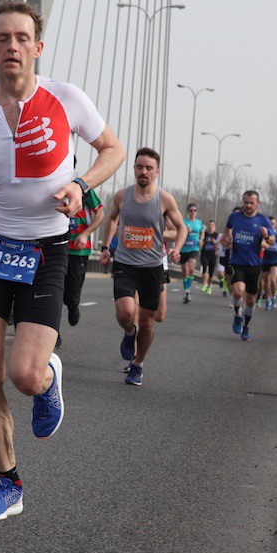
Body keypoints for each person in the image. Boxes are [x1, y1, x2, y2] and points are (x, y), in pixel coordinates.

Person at [0, 0, 125, 521]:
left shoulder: (66, 98)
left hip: (46, 249)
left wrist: (81, 185)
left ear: (37, 48)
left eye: (21, 38)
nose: (11, 46)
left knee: (23, 375)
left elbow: (113, 150)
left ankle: (46, 378)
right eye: (2, 38)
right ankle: (8, 483)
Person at [99, 148, 185, 386]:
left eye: (149, 168)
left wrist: (177, 248)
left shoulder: (165, 199)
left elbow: (182, 228)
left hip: (152, 267)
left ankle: (138, 364)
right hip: (125, 263)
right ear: (134, 169)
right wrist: (106, 247)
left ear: (157, 171)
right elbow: (111, 218)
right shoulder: (121, 196)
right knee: (125, 312)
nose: (143, 172)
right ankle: (129, 332)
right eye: (139, 167)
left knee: (148, 322)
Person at [222, 190, 274, 341]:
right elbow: (227, 228)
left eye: (252, 203)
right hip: (237, 262)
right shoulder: (235, 217)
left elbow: (272, 241)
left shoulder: (263, 220)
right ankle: (237, 315)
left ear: (258, 203)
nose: (248, 205)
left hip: (255, 265)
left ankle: (246, 326)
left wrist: (266, 235)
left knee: (251, 300)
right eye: (246, 202)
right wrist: (228, 237)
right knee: (238, 292)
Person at [63, 182, 104, 332]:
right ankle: (53, 333)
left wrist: (85, 234)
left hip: (78, 250)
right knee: (52, 292)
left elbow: (100, 214)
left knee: (71, 295)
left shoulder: (84, 190)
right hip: (57, 247)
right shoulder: (51, 186)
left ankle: (73, 304)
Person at [178, 203, 203, 303]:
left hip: (194, 248)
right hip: (184, 249)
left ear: (197, 212)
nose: (193, 212)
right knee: (185, 271)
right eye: (191, 210)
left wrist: (201, 239)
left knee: (191, 269)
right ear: (188, 212)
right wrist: (185, 231)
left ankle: (188, 291)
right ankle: (187, 292)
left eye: (195, 210)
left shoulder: (199, 222)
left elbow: (202, 232)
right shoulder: (184, 222)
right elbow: (178, 232)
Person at [259, 216, 277, 310]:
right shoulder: (264, 234)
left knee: (273, 279)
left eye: (273, 224)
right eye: (270, 224)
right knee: (266, 282)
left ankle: (273, 298)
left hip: (276, 260)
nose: (271, 225)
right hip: (266, 260)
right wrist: (267, 245)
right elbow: (262, 243)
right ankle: (268, 299)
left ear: (275, 225)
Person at [199, 219, 218, 294]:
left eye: (212, 225)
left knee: (211, 272)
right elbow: (201, 241)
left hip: (212, 255)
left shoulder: (216, 235)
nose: (210, 226)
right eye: (209, 225)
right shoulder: (205, 234)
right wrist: (201, 241)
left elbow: (218, 246)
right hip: (205, 254)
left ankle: (209, 286)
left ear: (214, 226)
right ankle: (204, 284)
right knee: (204, 267)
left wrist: (215, 243)